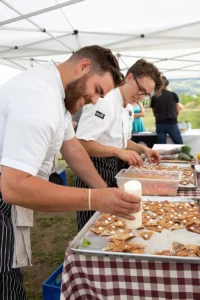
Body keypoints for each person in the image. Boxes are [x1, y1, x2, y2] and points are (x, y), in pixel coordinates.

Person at [0, 45, 142, 299]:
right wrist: (94, 199)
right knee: (6, 284)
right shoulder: (38, 99)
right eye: (97, 90)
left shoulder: (55, 91)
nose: (95, 100)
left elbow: (73, 147)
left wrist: (103, 190)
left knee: (11, 271)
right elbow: (14, 187)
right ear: (84, 66)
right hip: (5, 194)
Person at [75, 59, 163, 230]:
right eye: (140, 90)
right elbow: (81, 143)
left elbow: (122, 141)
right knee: (94, 224)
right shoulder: (104, 100)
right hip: (94, 168)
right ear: (129, 77)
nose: (140, 96)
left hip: (116, 168)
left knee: (114, 222)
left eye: (146, 94)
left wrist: (143, 149)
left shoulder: (129, 106)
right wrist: (117, 151)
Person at [150, 76, 183, 144]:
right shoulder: (173, 94)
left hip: (159, 123)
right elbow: (177, 111)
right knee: (179, 144)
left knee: (162, 147)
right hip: (172, 122)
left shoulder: (154, 97)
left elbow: (154, 112)